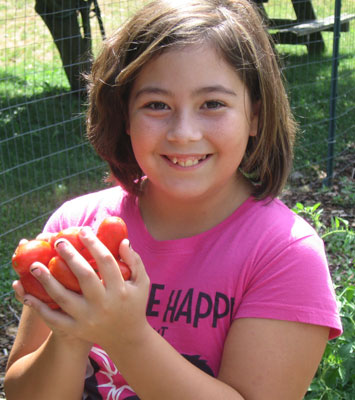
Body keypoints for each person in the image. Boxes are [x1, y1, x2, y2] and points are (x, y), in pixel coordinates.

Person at [4, 0, 342, 399]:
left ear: (255, 115)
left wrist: (126, 337)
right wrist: (71, 333)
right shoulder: (76, 228)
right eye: (157, 105)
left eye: (212, 104)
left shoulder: (283, 254)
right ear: (125, 115)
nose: (183, 133)